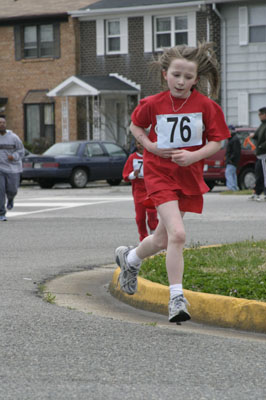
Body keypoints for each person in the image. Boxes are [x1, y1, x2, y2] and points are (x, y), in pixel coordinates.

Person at [115, 42, 230, 324]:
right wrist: (150, 147)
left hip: (187, 177)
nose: (181, 81)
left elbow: (218, 140)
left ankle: (130, 259)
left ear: (197, 78)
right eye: (176, 75)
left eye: (188, 77)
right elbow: (135, 126)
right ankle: (176, 298)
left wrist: (194, 156)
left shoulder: (206, 106)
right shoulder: (152, 104)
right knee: (178, 235)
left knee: (161, 239)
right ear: (165, 73)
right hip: (159, 174)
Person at [123, 141, 158, 242]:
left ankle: (154, 235)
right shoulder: (132, 158)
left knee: (152, 212)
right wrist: (134, 174)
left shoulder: (152, 155)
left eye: (141, 143)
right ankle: (143, 238)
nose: (140, 145)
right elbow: (126, 176)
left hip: (150, 187)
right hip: (138, 189)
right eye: (138, 143)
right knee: (140, 217)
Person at [0, 116, 24, 221]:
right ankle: (1, 213)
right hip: (0, 169)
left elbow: (21, 151)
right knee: (0, 191)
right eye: (0, 122)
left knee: (12, 190)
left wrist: (14, 156)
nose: (2, 124)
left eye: (3, 122)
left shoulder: (14, 137)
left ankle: (11, 199)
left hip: (13, 169)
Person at [248, 107, 266, 202]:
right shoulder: (262, 125)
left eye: (260, 114)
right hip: (260, 155)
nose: (259, 116)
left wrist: (260, 147)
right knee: (259, 174)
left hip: (264, 154)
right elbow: (258, 135)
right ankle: (257, 193)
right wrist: (253, 136)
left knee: (264, 175)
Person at [225, 125, 241, 191]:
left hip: (232, 161)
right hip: (233, 160)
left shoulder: (234, 139)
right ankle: (234, 187)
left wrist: (230, 159)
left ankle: (231, 188)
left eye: (228, 130)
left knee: (228, 173)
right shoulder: (233, 139)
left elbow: (235, 151)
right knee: (233, 174)